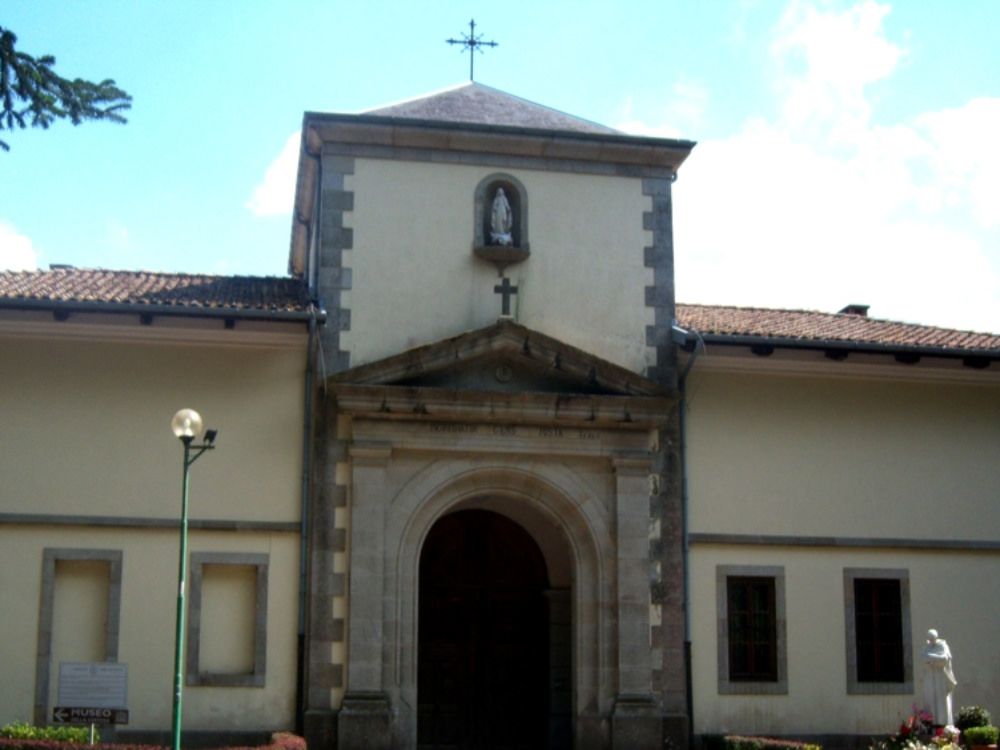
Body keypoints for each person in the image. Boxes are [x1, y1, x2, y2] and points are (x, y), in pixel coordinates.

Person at [922, 629, 957, 727]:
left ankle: (943, 724)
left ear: (936, 637)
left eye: (932, 639)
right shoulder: (927, 647)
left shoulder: (942, 645)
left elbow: (944, 659)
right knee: (931, 698)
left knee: (941, 700)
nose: (931, 641)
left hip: (940, 676)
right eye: (930, 639)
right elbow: (923, 657)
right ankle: (932, 723)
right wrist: (932, 658)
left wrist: (931, 657)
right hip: (930, 676)